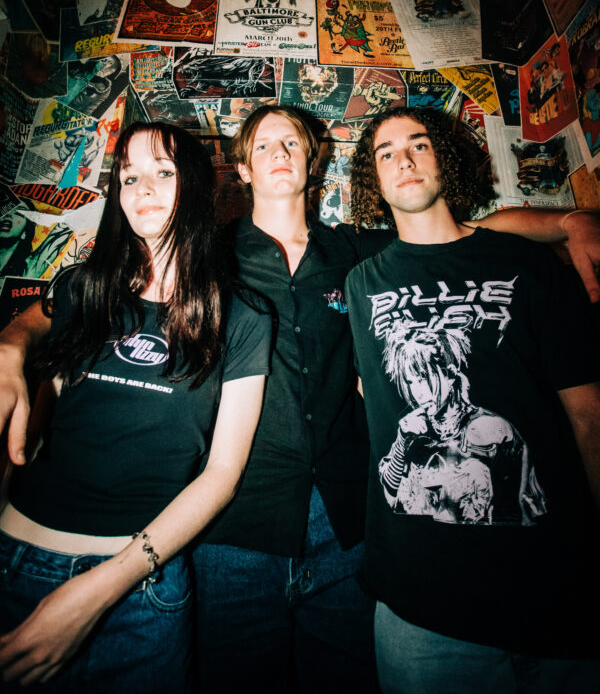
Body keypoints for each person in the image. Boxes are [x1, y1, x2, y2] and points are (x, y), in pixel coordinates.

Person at [1, 107, 600, 693]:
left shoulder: (358, 253)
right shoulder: (207, 255)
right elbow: (84, 298)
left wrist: (569, 220)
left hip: (347, 527)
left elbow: (466, 232)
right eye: (262, 145)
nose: (278, 154)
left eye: (292, 143)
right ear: (242, 169)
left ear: (314, 165)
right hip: (234, 528)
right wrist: (11, 341)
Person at [0, 121, 270, 691]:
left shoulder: (244, 315)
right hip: (16, 563)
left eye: (163, 173)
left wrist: (96, 591)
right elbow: (25, 332)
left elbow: (222, 475)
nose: (142, 189)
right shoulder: (83, 288)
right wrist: (7, 347)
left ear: (195, 186)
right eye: (129, 177)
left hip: (141, 591)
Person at [345, 106, 600, 693]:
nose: (403, 160)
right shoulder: (361, 282)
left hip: (554, 590)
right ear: (373, 180)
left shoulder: (525, 263)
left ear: (446, 158)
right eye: (385, 153)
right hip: (422, 607)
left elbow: (588, 414)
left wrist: (571, 223)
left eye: (418, 144)